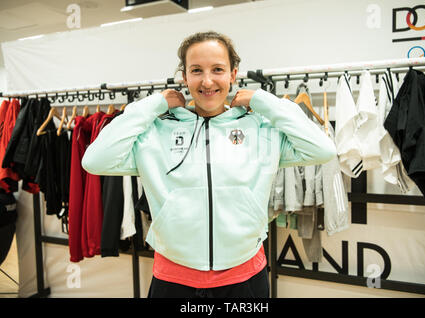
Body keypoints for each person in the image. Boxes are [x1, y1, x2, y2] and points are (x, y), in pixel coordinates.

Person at [82, 31, 336, 298]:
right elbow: (94, 160)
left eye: (217, 69)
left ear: (233, 74)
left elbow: (323, 149)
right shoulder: (155, 132)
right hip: (173, 279)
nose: (207, 81)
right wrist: (153, 105)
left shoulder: (260, 130)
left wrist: (264, 101)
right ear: (184, 77)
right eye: (196, 70)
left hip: (245, 276)